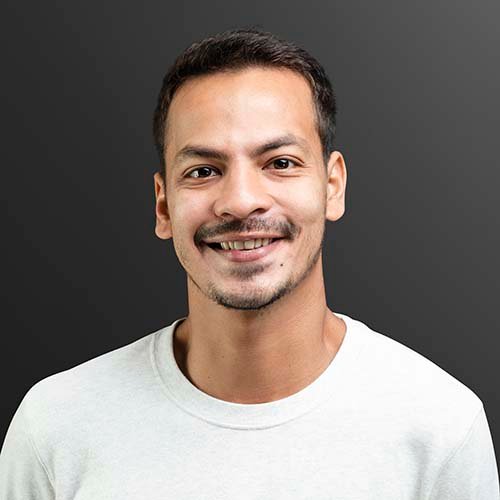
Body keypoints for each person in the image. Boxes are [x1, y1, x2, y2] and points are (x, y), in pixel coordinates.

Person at [1, 28, 498, 499]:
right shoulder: (55, 428)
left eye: (280, 163)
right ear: (163, 205)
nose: (240, 201)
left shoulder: (441, 427)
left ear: (332, 186)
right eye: (203, 171)